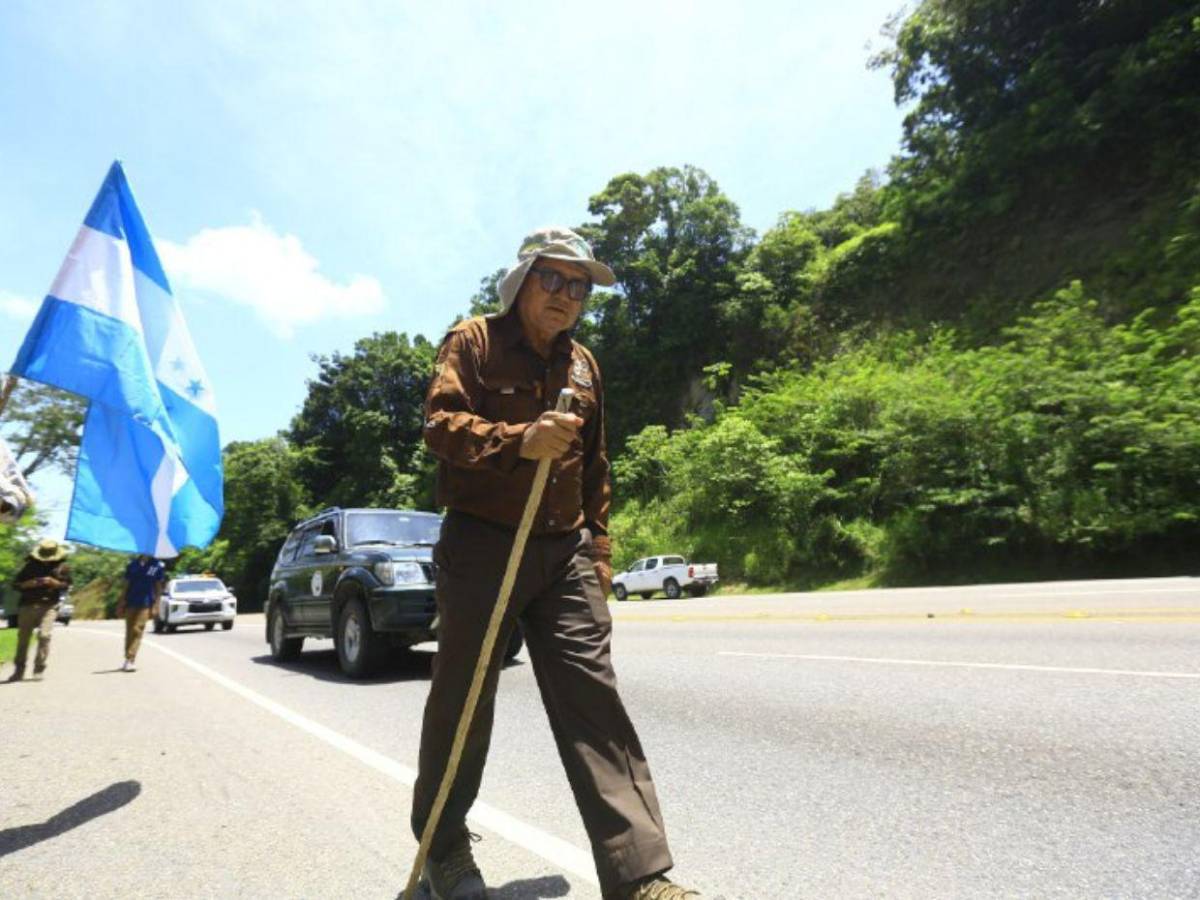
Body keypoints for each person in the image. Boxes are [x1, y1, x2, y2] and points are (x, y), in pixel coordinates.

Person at [412, 227, 699, 900]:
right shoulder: (474, 341)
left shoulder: (584, 366)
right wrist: (519, 439)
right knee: (464, 697)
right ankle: (443, 849)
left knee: (592, 698)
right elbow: (439, 425)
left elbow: (596, 464)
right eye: (555, 279)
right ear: (522, 280)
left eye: (580, 287)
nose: (568, 296)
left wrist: (599, 551)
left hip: (564, 549)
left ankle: (639, 877)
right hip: (483, 542)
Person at [7, 538, 71, 682]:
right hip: (28, 605)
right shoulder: (29, 566)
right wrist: (27, 584)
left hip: (49, 606)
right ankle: (19, 670)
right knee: (23, 638)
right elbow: (15, 584)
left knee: (44, 636)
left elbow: (67, 585)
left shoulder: (63, 567)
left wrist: (55, 583)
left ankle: (39, 669)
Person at [117, 554, 166, 672]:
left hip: (146, 602)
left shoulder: (156, 565)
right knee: (129, 630)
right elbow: (126, 585)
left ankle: (130, 659)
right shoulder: (132, 565)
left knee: (138, 629)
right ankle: (128, 657)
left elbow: (158, 588)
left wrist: (156, 605)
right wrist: (121, 602)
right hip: (130, 601)